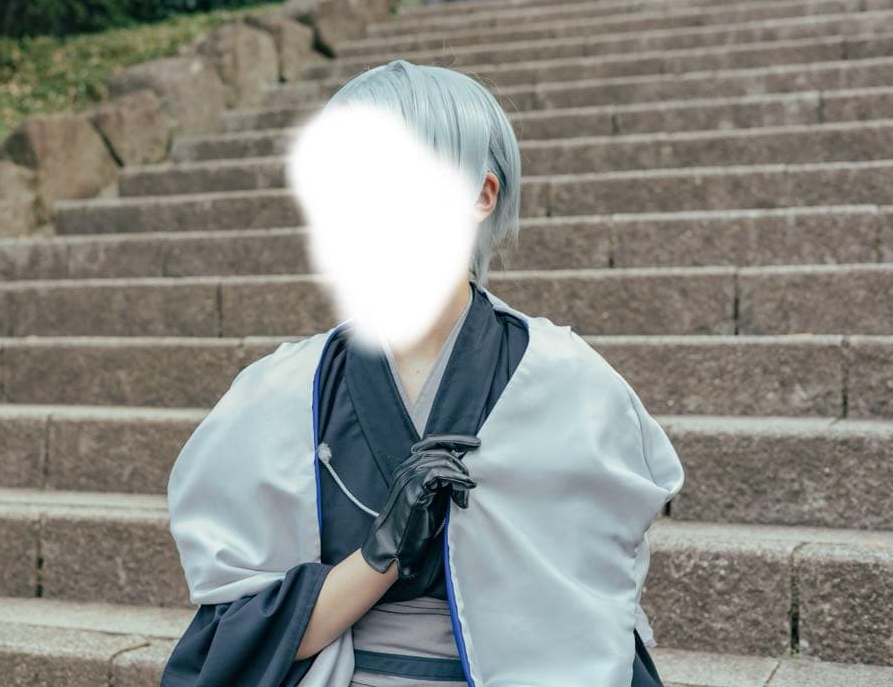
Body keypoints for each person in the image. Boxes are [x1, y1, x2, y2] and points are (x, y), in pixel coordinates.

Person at [160, 59, 684, 687]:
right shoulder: (280, 391)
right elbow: (242, 637)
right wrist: (380, 555)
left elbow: (591, 622)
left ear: (482, 194)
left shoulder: (568, 382)